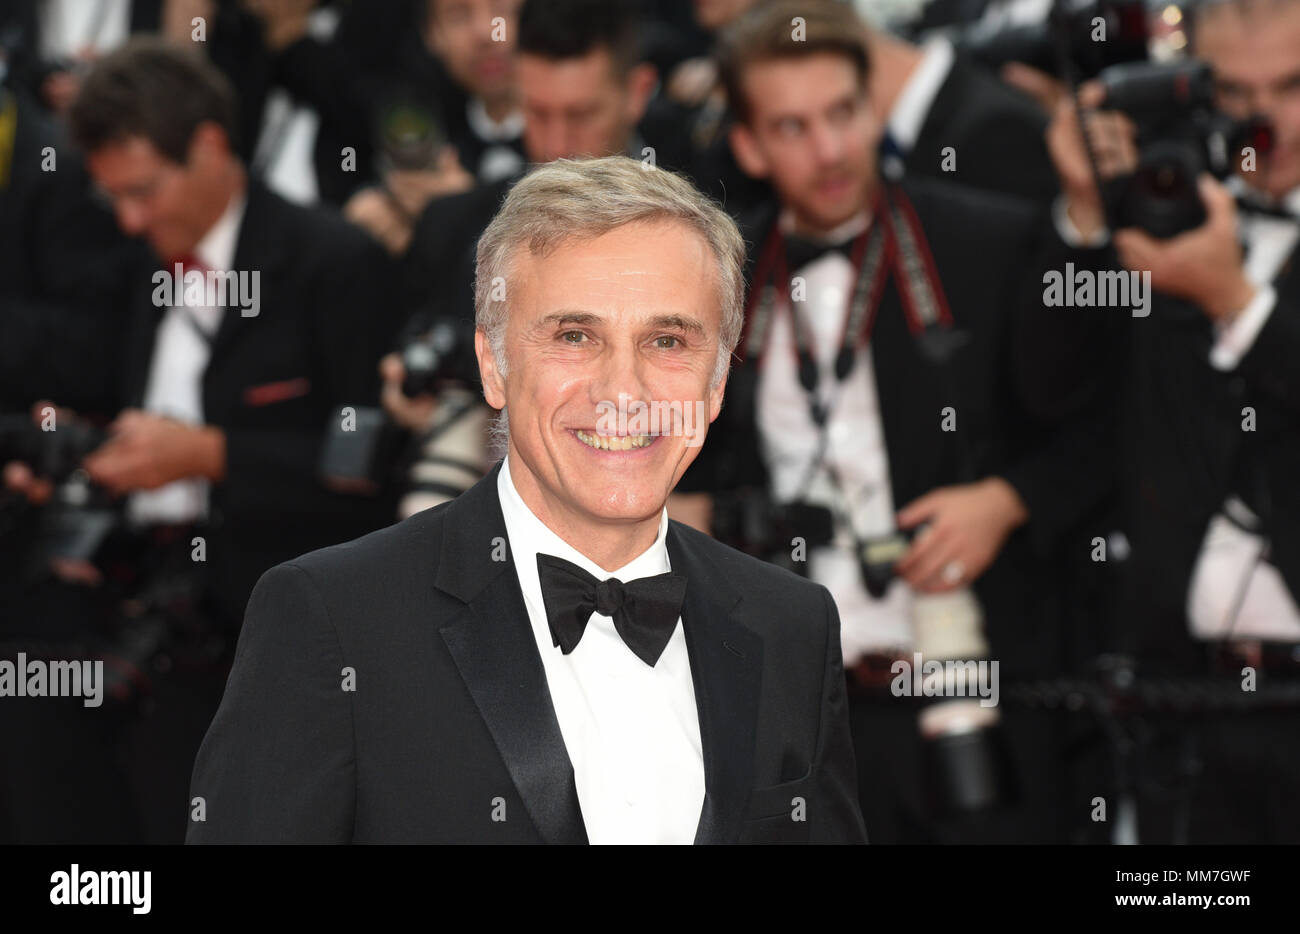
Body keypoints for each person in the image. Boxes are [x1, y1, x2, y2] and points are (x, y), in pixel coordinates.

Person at [187, 155, 867, 844]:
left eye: (667, 340)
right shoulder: (332, 619)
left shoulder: (793, 627)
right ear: (493, 365)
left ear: (718, 380)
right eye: (575, 337)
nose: (623, 393)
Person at [674, 0, 1113, 843]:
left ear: (876, 105)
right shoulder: (716, 279)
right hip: (786, 716)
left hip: (973, 697)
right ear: (748, 147)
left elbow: (1099, 427)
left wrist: (1008, 499)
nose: (831, 150)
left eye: (843, 113)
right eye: (793, 127)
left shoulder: (987, 241)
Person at [4, 39, 399, 842]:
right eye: (112, 196)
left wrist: (209, 457)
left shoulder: (332, 263)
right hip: (128, 591)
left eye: (143, 191)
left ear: (212, 146)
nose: (129, 219)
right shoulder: (141, 264)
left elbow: (377, 470)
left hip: (269, 610)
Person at [1045, 0, 1300, 843]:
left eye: (1294, 86)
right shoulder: (1158, 219)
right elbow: (1049, 397)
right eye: (1232, 92)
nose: (1266, 120)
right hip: (1177, 706)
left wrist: (1236, 301)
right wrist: (1087, 215)